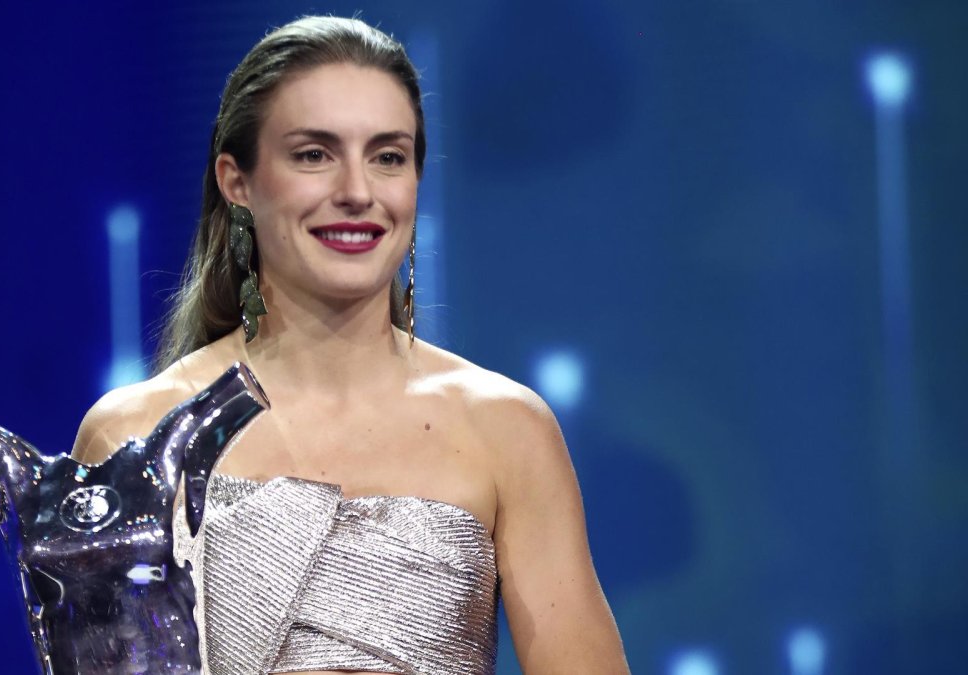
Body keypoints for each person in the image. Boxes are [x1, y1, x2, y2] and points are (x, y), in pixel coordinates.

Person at [71, 15, 628, 675]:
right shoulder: (135, 436)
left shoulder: (507, 429)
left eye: (388, 157)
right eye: (314, 154)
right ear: (237, 182)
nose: (357, 192)